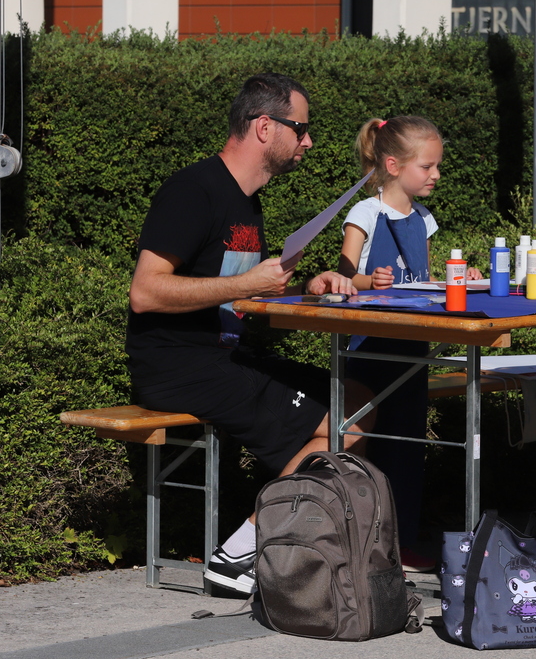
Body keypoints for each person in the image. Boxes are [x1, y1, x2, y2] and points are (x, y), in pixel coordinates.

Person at [125, 72, 361, 596]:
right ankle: (241, 554)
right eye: (300, 128)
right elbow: (145, 292)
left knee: (359, 402)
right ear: (264, 127)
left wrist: (303, 287)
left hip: (226, 357)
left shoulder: (246, 201)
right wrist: (247, 283)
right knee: (349, 421)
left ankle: (287, 546)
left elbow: (237, 292)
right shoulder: (193, 191)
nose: (308, 141)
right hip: (179, 366)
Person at [337, 115, 482, 572]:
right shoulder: (365, 214)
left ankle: (401, 543)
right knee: (369, 443)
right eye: (427, 166)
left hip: (413, 347)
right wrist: (369, 280)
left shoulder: (423, 219)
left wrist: (461, 277)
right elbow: (341, 277)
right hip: (370, 347)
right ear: (393, 165)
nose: (436, 174)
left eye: (437, 166)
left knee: (407, 445)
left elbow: (424, 279)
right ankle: (360, 543)